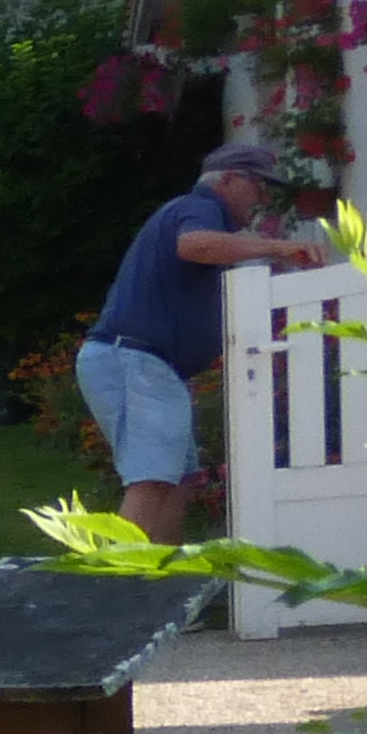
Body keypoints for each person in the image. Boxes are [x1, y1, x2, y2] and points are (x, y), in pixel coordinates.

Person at [80, 138, 333, 542]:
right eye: (259, 185)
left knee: (178, 478)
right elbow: (193, 245)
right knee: (152, 479)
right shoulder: (199, 208)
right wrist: (280, 249)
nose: (263, 198)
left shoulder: (204, 216)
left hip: (145, 363)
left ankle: (161, 579)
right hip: (135, 358)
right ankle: (118, 591)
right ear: (228, 180)